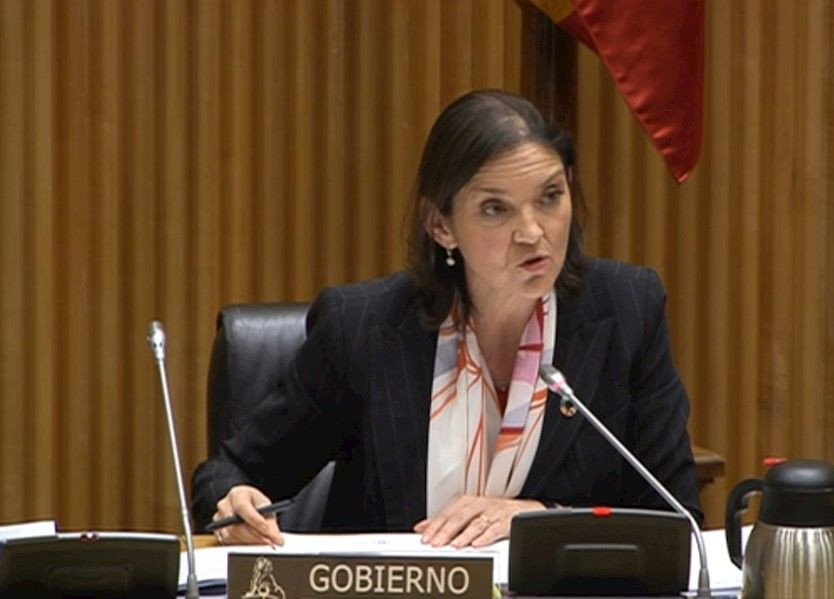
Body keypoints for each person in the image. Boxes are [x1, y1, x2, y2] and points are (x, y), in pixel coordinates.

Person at [191, 89, 702, 548]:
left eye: (550, 197)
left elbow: (677, 519)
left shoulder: (627, 311)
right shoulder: (363, 329)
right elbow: (228, 474)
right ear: (441, 226)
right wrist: (234, 502)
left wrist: (543, 520)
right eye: (495, 209)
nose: (533, 232)